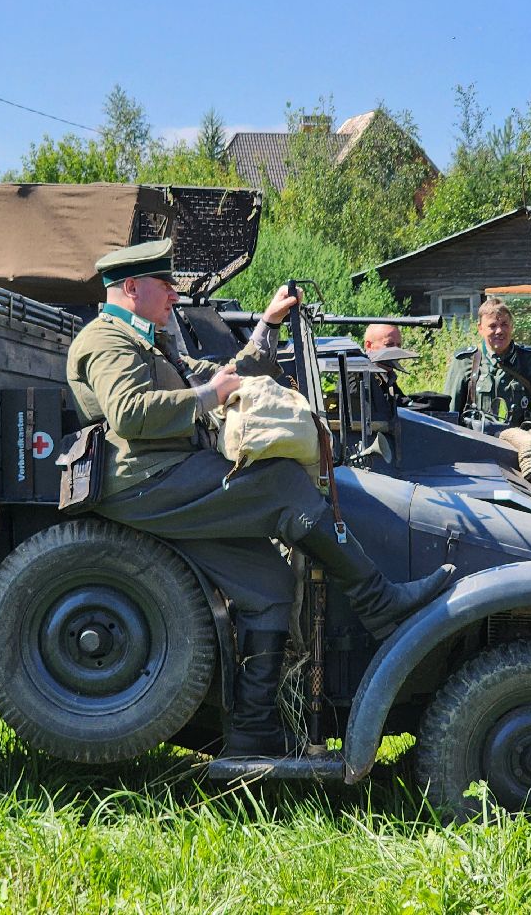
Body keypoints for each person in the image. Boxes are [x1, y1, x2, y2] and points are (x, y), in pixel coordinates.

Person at [66, 239, 453, 758]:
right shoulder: (107, 339)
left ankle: (252, 733)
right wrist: (209, 396)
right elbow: (131, 413)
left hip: (169, 476)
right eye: (165, 285)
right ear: (131, 287)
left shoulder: (144, 338)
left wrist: (266, 327)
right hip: (144, 481)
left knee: (269, 585)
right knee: (283, 483)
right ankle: (378, 601)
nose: (175, 295)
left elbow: (221, 377)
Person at [443, 298, 531, 424]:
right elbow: (449, 416)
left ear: (511, 327)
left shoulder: (529, 362)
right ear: (480, 329)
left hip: (518, 435)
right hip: (476, 435)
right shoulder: (465, 362)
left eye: (504, 324)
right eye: (492, 326)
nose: (499, 331)